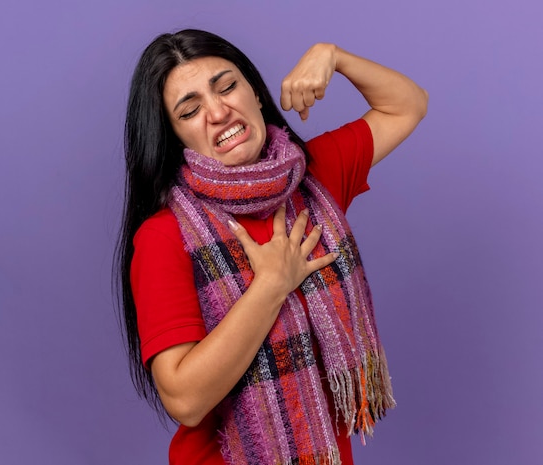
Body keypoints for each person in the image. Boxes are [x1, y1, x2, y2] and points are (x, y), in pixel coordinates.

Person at [115, 29, 428, 465]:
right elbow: (183, 400)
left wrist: (332, 56)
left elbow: (407, 105)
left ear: (255, 94)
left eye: (227, 86)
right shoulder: (164, 236)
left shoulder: (313, 179)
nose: (219, 111)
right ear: (175, 136)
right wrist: (270, 286)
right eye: (190, 110)